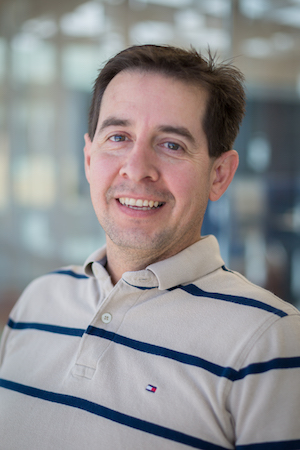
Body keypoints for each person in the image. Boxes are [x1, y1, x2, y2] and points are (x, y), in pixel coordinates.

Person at [0, 44, 299, 450]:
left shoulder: (271, 339)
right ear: (89, 159)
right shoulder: (38, 301)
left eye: (172, 144)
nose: (137, 168)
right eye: (118, 137)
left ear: (219, 174)